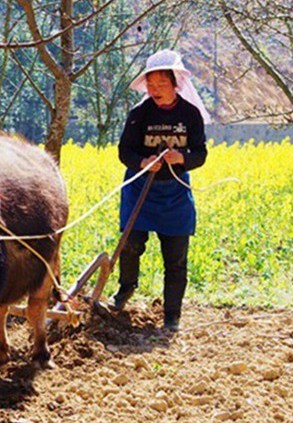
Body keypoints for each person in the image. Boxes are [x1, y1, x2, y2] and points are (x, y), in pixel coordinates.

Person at [109, 50, 210, 332]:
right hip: (140, 188)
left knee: (176, 258)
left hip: (175, 195)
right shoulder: (139, 115)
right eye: (151, 86)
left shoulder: (190, 115)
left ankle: (172, 315)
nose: (155, 91)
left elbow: (200, 153)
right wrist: (142, 162)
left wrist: (182, 159)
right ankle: (124, 290)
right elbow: (124, 151)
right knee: (130, 246)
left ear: (175, 83)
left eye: (161, 85)